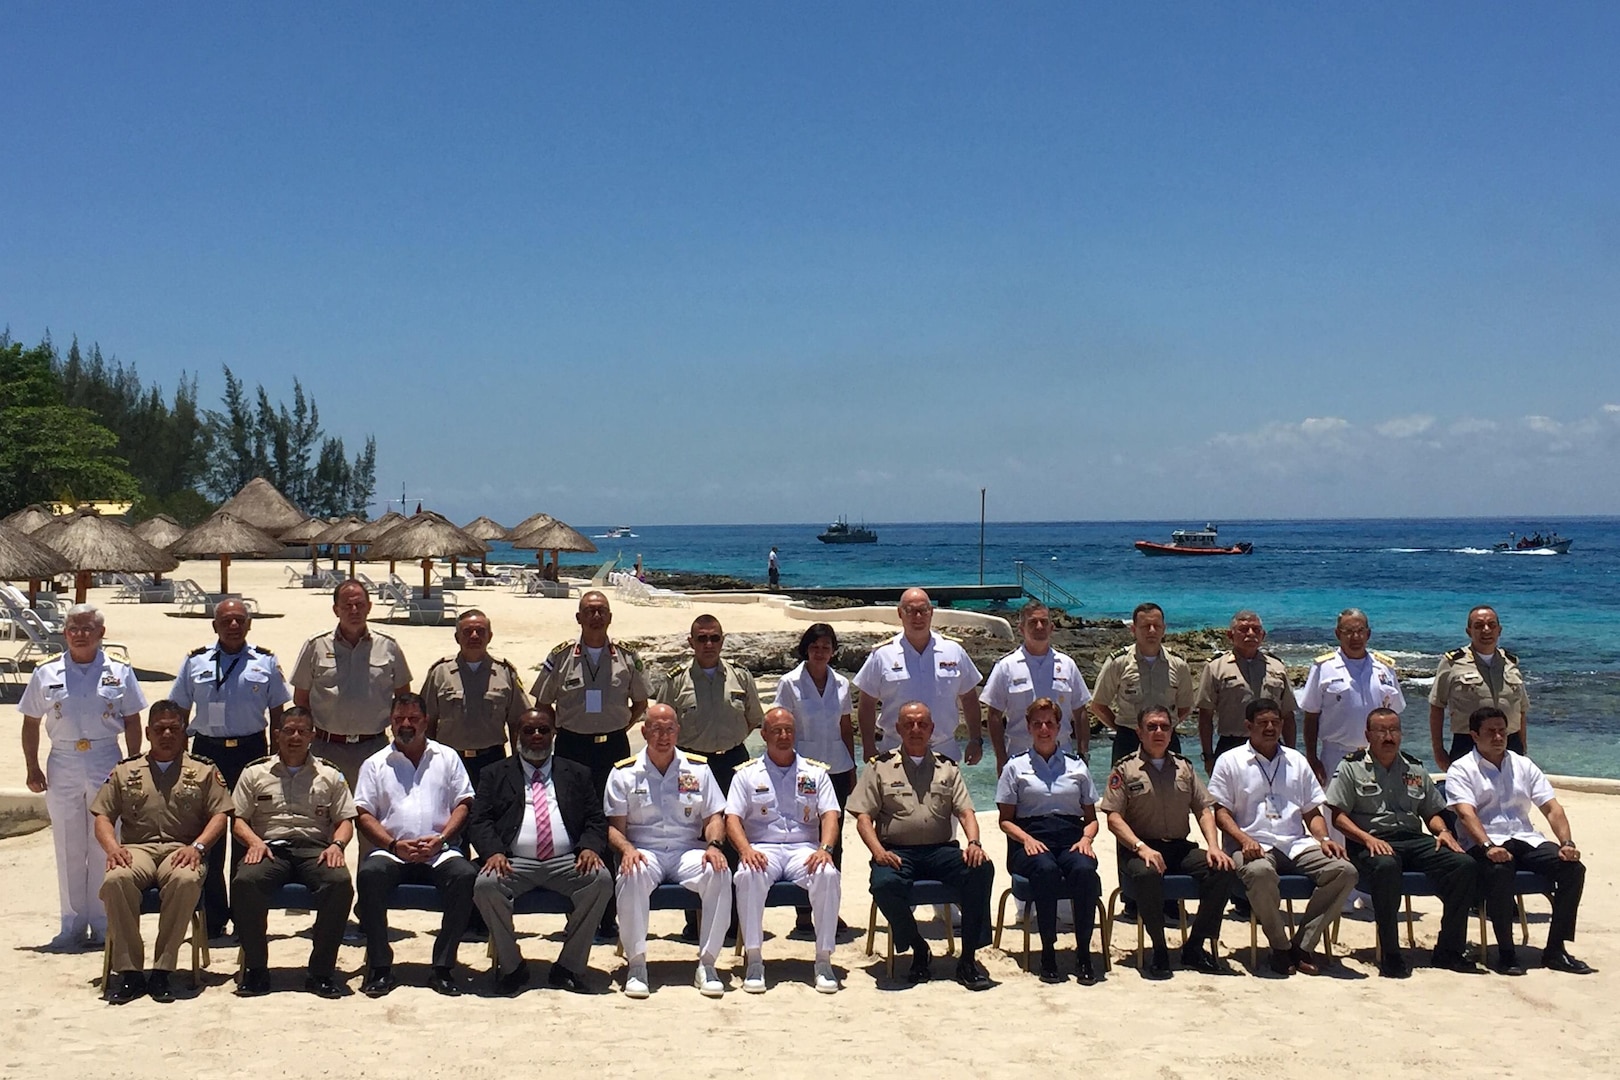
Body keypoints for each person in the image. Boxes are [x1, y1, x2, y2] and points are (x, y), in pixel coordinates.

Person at [18, 603, 146, 952]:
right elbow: (30, 721)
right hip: (63, 758)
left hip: (106, 756)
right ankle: (71, 924)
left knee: (106, 841)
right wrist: (32, 766)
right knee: (67, 843)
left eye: (88, 627)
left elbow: (133, 719)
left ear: (101, 632)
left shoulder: (119, 671)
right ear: (65, 632)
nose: (80, 633)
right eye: (73, 627)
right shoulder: (46, 672)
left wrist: (133, 763)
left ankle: (104, 922)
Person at [166, 598, 291, 939]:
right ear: (215, 625)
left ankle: (245, 915)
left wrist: (275, 755)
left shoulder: (265, 661)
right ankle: (213, 916)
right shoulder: (195, 662)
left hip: (250, 751)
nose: (233, 626)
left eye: (239, 620)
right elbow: (177, 709)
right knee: (208, 836)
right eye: (226, 620)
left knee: (248, 832)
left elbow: (279, 711)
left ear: (249, 625)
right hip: (207, 753)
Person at [848, 701, 995, 991]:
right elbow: (863, 817)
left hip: (941, 850)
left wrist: (974, 843)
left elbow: (965, 812)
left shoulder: (948, 768)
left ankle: (968, 958)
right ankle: (917, 946)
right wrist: (878, 852)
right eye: (909, 724)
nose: (916, 729)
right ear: (898, 728)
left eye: (922, 724)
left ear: (932, 729)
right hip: (897, 852)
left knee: (981, 869)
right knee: (884, 885)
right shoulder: (880, 767)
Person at [91, 702, 231, 1004]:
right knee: (116, 879)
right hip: (136, 850)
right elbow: (102, 816)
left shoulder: (203, 770)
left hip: (182, 849)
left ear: (184, 732)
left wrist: (199, 847)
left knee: (185, 880)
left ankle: (163, 970)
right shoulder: (125, 770)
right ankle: (129, 972)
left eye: (173, 728)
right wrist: (113, 849)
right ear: (147, 733)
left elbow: (220, 814)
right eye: (159, 729)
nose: (166, 734)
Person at [1324, 708, 1477, 978]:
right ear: (1368, 734)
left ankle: (1449, 949)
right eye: (1381, 731)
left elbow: (1431, 812)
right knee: (1386, 866)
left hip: (1412, 839)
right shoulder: (1351, 766)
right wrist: (1367, 838)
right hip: (1368, 842)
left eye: (1394, 730)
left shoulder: (1414, 767)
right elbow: (1338, 818)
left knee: (1463, 864)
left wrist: (1443, 831)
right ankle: (1391, 953)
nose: (1388, 736)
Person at [532, 589, 650, 941]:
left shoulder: (628, 658)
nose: (596, 617)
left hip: (613, 749)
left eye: (601, 611)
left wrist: (617, 726)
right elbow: (542, 702)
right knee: (574, 827)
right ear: (578, 618)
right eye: (589, 611)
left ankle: (609, 915)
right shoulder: (561, 657)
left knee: (615, 826)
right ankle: (576, 913)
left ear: (610, 617)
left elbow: (640, 702)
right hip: (571, 747)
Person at [1208, 698, 1357, 976]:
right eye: (1263, 723)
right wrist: (1242, 840)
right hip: (1252, 844)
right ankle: (1279, 947)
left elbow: (1312, 810)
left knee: (1344, 871)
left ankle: (1302, 945)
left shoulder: (1296, 760)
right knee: (1261, 872)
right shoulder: (1230, 761)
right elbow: (1220, 812)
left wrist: (1324, 839)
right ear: (1248, 726)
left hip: (1295, 844)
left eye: (1275, 722)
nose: (1270, 728)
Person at [470, 706, 613, 995]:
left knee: (601, 880)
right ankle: (512, 966)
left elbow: (596, 819)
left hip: (567, 863)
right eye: (529, 730)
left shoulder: (576, 772)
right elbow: (479, 820)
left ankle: (568, 967)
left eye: (543, 730)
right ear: (517, 735)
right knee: (485, 885)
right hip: (512, 863)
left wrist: (588, 847)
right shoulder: (495, 773)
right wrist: (494, 852)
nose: (536, 735)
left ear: (553, 733)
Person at [1446, 706, 1593, 976]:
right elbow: (1466, 815)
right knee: (1500, 870)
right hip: (1484, 841)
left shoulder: (1523, 765)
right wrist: (1489, 847)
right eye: (1491, 732)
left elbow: (1551, 808)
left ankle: (1556, 950)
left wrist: (1567, 843)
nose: (1498, 737)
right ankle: (1506, 952)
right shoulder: (1462, 769)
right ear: (1474, 735)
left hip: (1525, 837)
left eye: (1502, 731)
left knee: (1573, 869)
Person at [352, 693, 478, 998]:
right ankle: (380, 967)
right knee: (369, 874)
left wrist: (442, 839)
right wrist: (394, 845)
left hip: (439, 852)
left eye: (413, 719)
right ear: (391, 722)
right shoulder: (375, 763)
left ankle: (443, 968)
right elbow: (363, 813)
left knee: (465, 875)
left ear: (426, 721)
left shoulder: (447, 757)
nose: (405, 725)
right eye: (399, 719)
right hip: (393, 852)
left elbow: (463, 802)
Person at [604, 704, 732, 998]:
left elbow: (714, 817)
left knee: (719, 871)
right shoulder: (624, 773)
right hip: (644, 850)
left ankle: (708, 964)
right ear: (644, 731)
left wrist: (714, 845)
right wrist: (626, 849)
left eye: (670, 728)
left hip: (687, 850)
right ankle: (637, 966)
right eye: (657, 729)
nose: (663, 736)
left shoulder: (698, 769)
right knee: (632, 871)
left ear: (678, 731)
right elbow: (613, 826)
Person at [1100, 705, 1237, 979]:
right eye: (1151, 727)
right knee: (1148, 874)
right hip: (1139, 849)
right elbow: (1113, 817)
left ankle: (1195, 946)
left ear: (1171, 730)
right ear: (1139, 732)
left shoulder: (1184, 768)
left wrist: (1213, 846)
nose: (1158, 732)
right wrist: (1141, 847)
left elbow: (1203, 809)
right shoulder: (1125, 769)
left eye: (1164, 726)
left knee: (1223, 870)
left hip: (1179, 847)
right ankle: (1159, 949)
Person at [229, 706, 356, 998]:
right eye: (288, 731)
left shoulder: (330, 774)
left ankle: (321, 972)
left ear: (312, 735)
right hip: (270, 848)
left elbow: (345, 820)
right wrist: (254, 842)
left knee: (339, 883)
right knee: (245, 882)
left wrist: (337, 845)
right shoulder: (254, 772)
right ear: (277, 735)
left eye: (302, 731)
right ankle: (256, 970)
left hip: (315, 849)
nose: (295, 737)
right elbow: (238, 820)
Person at [724, 708, 842, 994]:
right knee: (748, 875)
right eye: (776, 730)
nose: (784, 736)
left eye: (788, 730)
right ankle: (753, 960)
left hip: (804, 849)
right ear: (764, 734)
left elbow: (830, 815)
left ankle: (823, 961)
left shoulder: (815, 772)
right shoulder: (747, 774)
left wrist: (826, 849)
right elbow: (732, 819)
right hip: (763, 848)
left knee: (828, 873)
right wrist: (745, 851)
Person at [995, 697, 1103, 984]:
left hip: (1071, 837)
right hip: (1030, 839)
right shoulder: (1015, 767)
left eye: (1050, 724)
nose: (1044, 729)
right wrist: (1026, 839)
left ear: (1060, 727)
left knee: (1083, 870)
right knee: (1045, 870)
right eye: (1038, 724)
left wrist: (1087, 839)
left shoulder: (1077, 767)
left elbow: (1091, 817)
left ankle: (1083, 952)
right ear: (1029, 728)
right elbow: (1005, 819)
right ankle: (1048, 952)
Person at [771, 622, 855, 938]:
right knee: (805, 836)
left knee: (834, 840)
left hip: (836, 768)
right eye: (815, 646)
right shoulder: (789, 683)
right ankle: (804, 914)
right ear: (806, 648)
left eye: (826, 647)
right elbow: (781, 728)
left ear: (834, 651)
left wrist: (853, 767)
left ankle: (829, 909)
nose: (820, 652)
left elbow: (846, 727)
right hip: (801, 770)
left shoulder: (842, 684)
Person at [289, 580, 412, 789]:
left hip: (374, 747)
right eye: (347, 606)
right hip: (326, 747)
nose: (354, 610)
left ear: (369, 607)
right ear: (336, 610)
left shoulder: (388, 646)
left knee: (373, 815)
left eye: (359, 605)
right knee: (326, 816)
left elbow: (403, 698)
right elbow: (301, 700)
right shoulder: (316, 646)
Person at [853, 588, 985, 764]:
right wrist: (868, 746)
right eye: (910, 611)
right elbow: (867, 703)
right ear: (900, 613)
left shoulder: (953, 651)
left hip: (943, 752)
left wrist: (975, 740)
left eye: (923, 610)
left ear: (931, 612)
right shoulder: (883, 655)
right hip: (895, 753)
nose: (918, 617)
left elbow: (969, 698)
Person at [656, 613, 764, 799]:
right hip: (692, 764)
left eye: (714, 638)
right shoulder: (676, 680)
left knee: (736, 818)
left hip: (734, 761)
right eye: (702, 639)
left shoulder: (741, 676)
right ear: (691, 642)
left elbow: (754, 717)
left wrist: (731, 738)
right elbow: (660, 724)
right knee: (692, 819)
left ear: (722, 641)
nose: (709, 644)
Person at [421, 608, 531, 788]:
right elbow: (428, 722)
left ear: (490, 636)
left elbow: (517, 723)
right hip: (450, 761)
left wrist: (518, 764)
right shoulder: (440, 673)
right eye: (467, 632)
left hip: (492, 760)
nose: (474, 636)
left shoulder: (504, 672)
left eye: (480, 631)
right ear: (457, 637)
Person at [982, 600, 1092, 771]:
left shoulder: (1067, 665)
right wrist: (1001, 759)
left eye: (1044, 622)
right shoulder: (1006, 667)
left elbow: (1081, 711)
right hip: (1019, 758)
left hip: (1063, 758)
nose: (1039, 627)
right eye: (1033, 622)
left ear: (1051, 628)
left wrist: (1083, 754)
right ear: (1021, 629)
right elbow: (994, 715)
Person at [1299, 609, 1406, 786]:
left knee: (1378, 810)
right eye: (1348, 632)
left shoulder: (1384, 668)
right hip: (1335, 755)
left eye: (1360, 631)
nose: (1355, 637)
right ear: (1337, 634)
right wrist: (1311, 757)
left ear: (1368, 633)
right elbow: (1311, 715)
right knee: (1334, 810)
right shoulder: (1323, 667)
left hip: (1378, 755)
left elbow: (1394, 717)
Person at [1090, 602, 1194, 764]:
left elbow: (1186, 707)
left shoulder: (1178, 664)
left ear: (1164, 629)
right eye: (1145, 626)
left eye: (1156, 626)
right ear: (1133, 630)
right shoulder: (1118, 662)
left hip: (1167, 741)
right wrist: (1124, 729)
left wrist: (1163, 727)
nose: (1151, 631)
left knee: (1172, 788)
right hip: (1129, 741)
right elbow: (1098, 705)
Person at [1196, 610, 1297, 773]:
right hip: (1231, 744)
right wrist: (1208, 756)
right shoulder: (1216, 668)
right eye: (1244, 630)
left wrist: (1292, 753)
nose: (1250, 634)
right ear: (1230, 635)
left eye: (1256, 630)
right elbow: (1205, 716)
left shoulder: (1277, 667)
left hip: (1271, 745)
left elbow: (1287, 715)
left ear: (1263, 635)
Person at [1429, 606, 1530, 771]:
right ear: (1469, 631)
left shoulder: (1510, 662)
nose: (1486, 630)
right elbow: (1437, 706)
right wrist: (1438, 751)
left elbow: (1522, 709)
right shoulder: (1452, 663)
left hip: (1509, 742)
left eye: (1491, 625)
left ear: (1499, 630)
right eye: (1478, 626)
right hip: (1468, 743)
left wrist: (1523, 746)